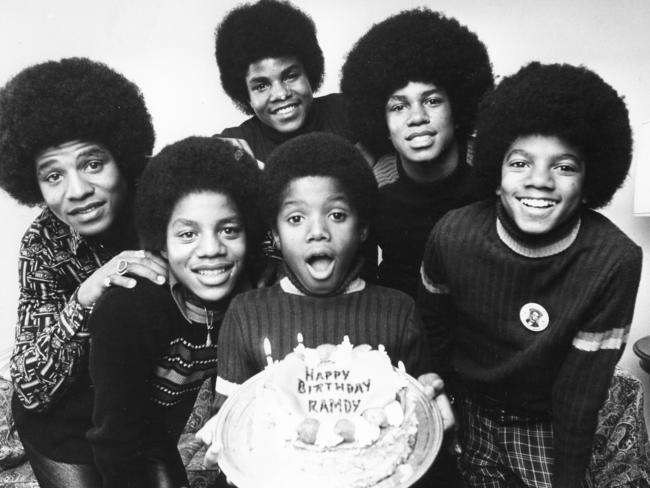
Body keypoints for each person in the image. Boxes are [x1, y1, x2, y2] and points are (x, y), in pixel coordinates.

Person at [418, 62, 642, 487]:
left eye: (564, 166)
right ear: (497, 174)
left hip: (546, 423)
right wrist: (440, 404)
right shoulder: (453, 235)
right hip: (469, 411)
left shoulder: (614, 261)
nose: (539, 181)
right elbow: (432, 331)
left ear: (590, 179)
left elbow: (579, 396)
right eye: (520, 163)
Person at [198, 133, 453, 482]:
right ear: (273, 235)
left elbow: (417, 421)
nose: (317, 231)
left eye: (336, 214)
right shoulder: (246, 314)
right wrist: (218, 439)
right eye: (295, 219)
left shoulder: (398, 311)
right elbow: (229, 423)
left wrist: (438, 420)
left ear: (362, 228)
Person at [0, 57, 165, 488]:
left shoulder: (169, 197)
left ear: (122, 155)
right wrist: (85, 297)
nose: (77, 191)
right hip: (63, 422)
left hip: (134, 412)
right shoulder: (44, 245)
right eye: (53, 175)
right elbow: (30, 383)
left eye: (92, 164)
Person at [86, 137, 262, 487]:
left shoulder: (253, 296)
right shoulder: (128, 310)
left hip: (146, 428)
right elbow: (116, 440)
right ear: (160, 244)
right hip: (82, 428)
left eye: (228, 230)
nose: (211, 249)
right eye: (187, 234)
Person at [341, 8, 494, 297]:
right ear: (381, 122)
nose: (417, 117)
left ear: (458, 109)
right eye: (399, 107)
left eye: (432, 101)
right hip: (401, 311)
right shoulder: (373, 184)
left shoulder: (491, 169)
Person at [214, 0, 355, 164]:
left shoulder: (346, 111)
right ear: (245, 95)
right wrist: (231, 156)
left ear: (309, 73)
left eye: (290, 76)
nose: (281, 94)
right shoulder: (241, 142)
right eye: (261, 86)